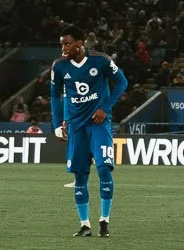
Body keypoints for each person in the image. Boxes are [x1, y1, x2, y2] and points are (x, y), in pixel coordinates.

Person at [52, 31, 128, 237]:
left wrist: (105, 108)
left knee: (104, 169)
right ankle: (85, 225)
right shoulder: (59, 66)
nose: (64, 48)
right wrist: (57, 124)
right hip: (76, 127)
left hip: (98, 124)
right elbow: (55, 96)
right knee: (80, 175)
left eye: (67, 44)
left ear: (80, 43)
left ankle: (104, 220)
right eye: (62, 44)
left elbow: (122, 82)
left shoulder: (101, 61)